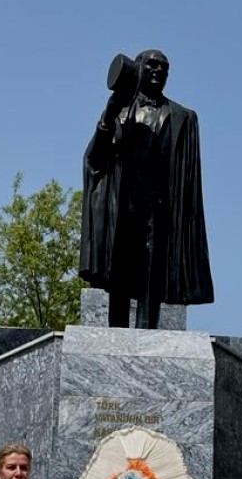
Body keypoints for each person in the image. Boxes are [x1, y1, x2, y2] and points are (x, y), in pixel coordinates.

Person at [80, 48, 214, 329]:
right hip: (123, 203)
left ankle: (147, 329)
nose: (159, 71)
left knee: (152, 270)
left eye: (164, 68)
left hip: (160, 205)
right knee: (119, 268)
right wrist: (109, 114)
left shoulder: (183, 118)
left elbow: (188, 176)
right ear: (138, 68)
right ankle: (115, 331)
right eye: (152, 65)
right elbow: (94, 159)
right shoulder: (119, 112)